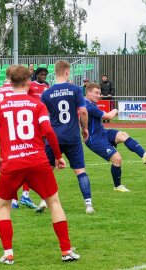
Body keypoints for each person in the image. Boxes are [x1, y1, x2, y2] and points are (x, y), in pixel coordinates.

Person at [0, 65, 80, 264]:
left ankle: (8, 254)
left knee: (3, 207)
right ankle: (66, 251)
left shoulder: (0, 107)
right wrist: (57, 156)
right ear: (29, 82)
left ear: (10, 82)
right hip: (37, 161)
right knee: (54, 203)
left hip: (12, 163)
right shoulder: (36, 104)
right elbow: (49, 132)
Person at [37, 60, 94, 214]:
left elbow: (41, 116)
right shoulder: (75, 89)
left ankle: (43, 201)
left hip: (54, 137)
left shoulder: (46, 93)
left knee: (48, 170)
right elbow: (83, 111)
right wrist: (85, 128)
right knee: (80, 171)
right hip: (72, 136)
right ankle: (88, 205)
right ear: (67, 72)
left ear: (55, 73)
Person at [84, 83, 146, 192]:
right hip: (94, 139)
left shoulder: (89, 103)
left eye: (99, 93)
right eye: (96, 93)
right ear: (88, 93)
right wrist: (115, 110)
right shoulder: (88, 106)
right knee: (117, 159)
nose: (99, 95)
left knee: (123, 135)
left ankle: (144, 155)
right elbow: (108, 116)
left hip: (103, 133)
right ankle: (117, 186)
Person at [0, 66, 37, 209]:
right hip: (24, 132)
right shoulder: (22, 89)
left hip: (5, 132)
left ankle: (14, 199)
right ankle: (25, 195)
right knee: (26, 161)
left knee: (10, 165)